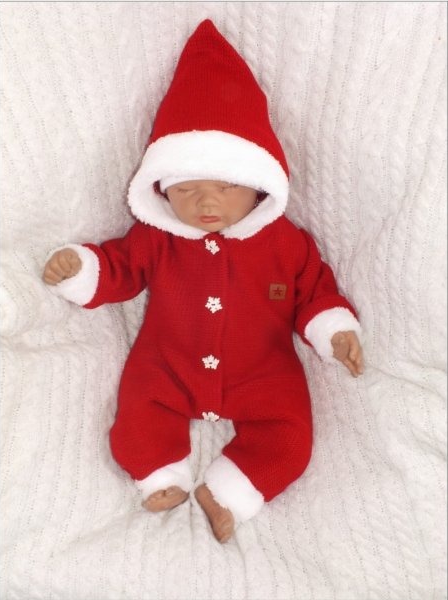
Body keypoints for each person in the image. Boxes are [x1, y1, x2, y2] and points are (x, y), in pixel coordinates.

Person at [42, 20, 364, 544]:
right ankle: (158, 472)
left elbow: (313, 290)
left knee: (290, 435)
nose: (206, 203)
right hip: (168, 361)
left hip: (263, 369)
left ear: (259, 185)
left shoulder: (285, 243)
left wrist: (334, 330)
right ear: (162, 189)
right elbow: (121, 267)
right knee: (139, 408)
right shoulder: (157, 236)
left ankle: (229, 491)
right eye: (187, 189)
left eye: (225, 187)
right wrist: (82, 269)